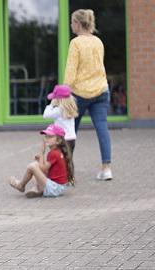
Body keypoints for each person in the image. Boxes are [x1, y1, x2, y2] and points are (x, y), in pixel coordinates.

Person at [64, 9, 113, 180]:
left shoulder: (76, 43)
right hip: (101, 90)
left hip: (80, 94)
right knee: (102, 128)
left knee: (70, 131)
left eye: (72, 22)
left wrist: (63, 93)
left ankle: (66, 172)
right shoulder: (98, 42)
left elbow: (71, 71)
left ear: (77, 24)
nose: (71, 25)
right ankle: (106, 168)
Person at [8, 124, 75, 198]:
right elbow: (47, 170)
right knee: (35, 168)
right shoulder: (58, 151)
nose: (46, 139)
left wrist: (42, 152)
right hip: (58, 187)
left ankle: (21, 185)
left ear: (58, 140)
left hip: (55, 189)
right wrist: (40, 159)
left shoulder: (53, 153)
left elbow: (43, 168)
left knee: (32, 166)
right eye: (46, 136)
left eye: (50, 137)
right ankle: (37, 189)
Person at [42, 84, 78, 153]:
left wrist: (51, 104)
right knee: (68, 160)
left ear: (59, 99)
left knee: (61, 160)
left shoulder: (58, 110)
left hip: (62, 139)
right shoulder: (70, 109)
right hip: (72, 138)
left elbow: (45, 115)